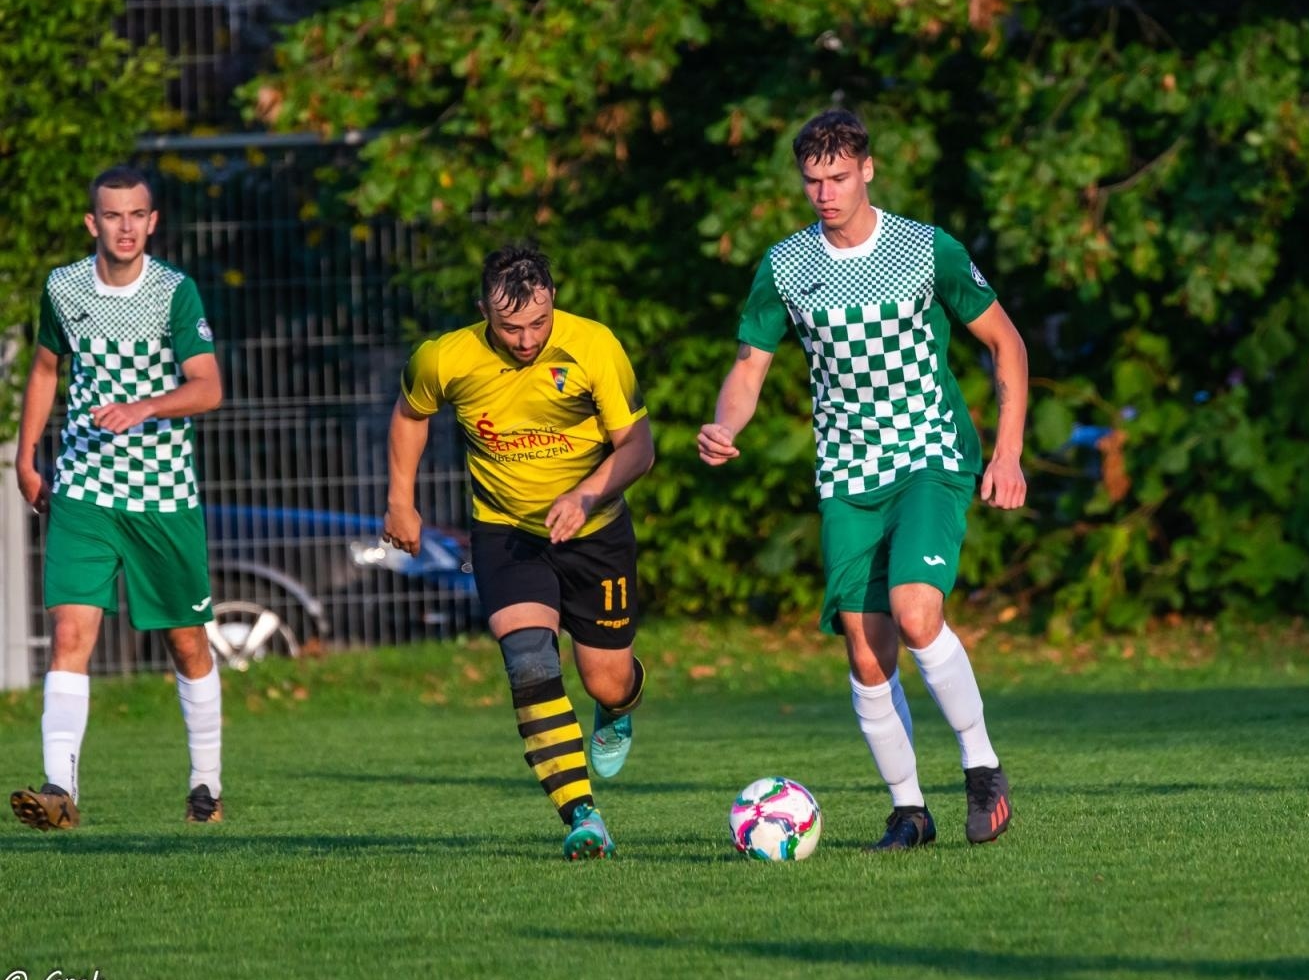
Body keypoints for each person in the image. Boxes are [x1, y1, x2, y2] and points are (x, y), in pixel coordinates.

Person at [698, 109, 1029, 849]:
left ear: (868, 170)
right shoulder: (785, 266)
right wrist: (726, 426)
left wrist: (1007, 453)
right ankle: (909, 812)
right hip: (847, 472)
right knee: (865, 647)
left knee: (916, 612)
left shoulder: (926, 249)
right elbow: (748, 369)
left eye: (839, 177)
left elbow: (1007, 344)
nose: (825, 193)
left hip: (929, 455)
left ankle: (982, 769)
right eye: (812, 181)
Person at [385, 244, 653, 859]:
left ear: (553, 299)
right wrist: (400, 501)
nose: (527, 339)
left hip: (595, 531)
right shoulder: (445, 357)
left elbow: (638, 447)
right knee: (529, 664)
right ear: (484, 311)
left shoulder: (594, 346)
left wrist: (585, 496)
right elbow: (409, 414)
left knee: (608, 682)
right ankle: (582, 816)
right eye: (511, 327)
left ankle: (616, 709)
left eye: (538, 322)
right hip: (506, 532)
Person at [11, 166, 226, 830]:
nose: (125, 227)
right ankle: (59, 789)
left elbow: (208, 387)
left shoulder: (174, 292)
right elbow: (45, 369)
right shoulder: (63, 286)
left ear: (152, 222)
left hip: (162, 492)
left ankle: (206, 784)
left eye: (137, 215)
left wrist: (144, 407)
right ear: (93, 222)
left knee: (186, 642)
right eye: (112, 215)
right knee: (70, 632)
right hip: (82, 486)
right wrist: (25, 455)